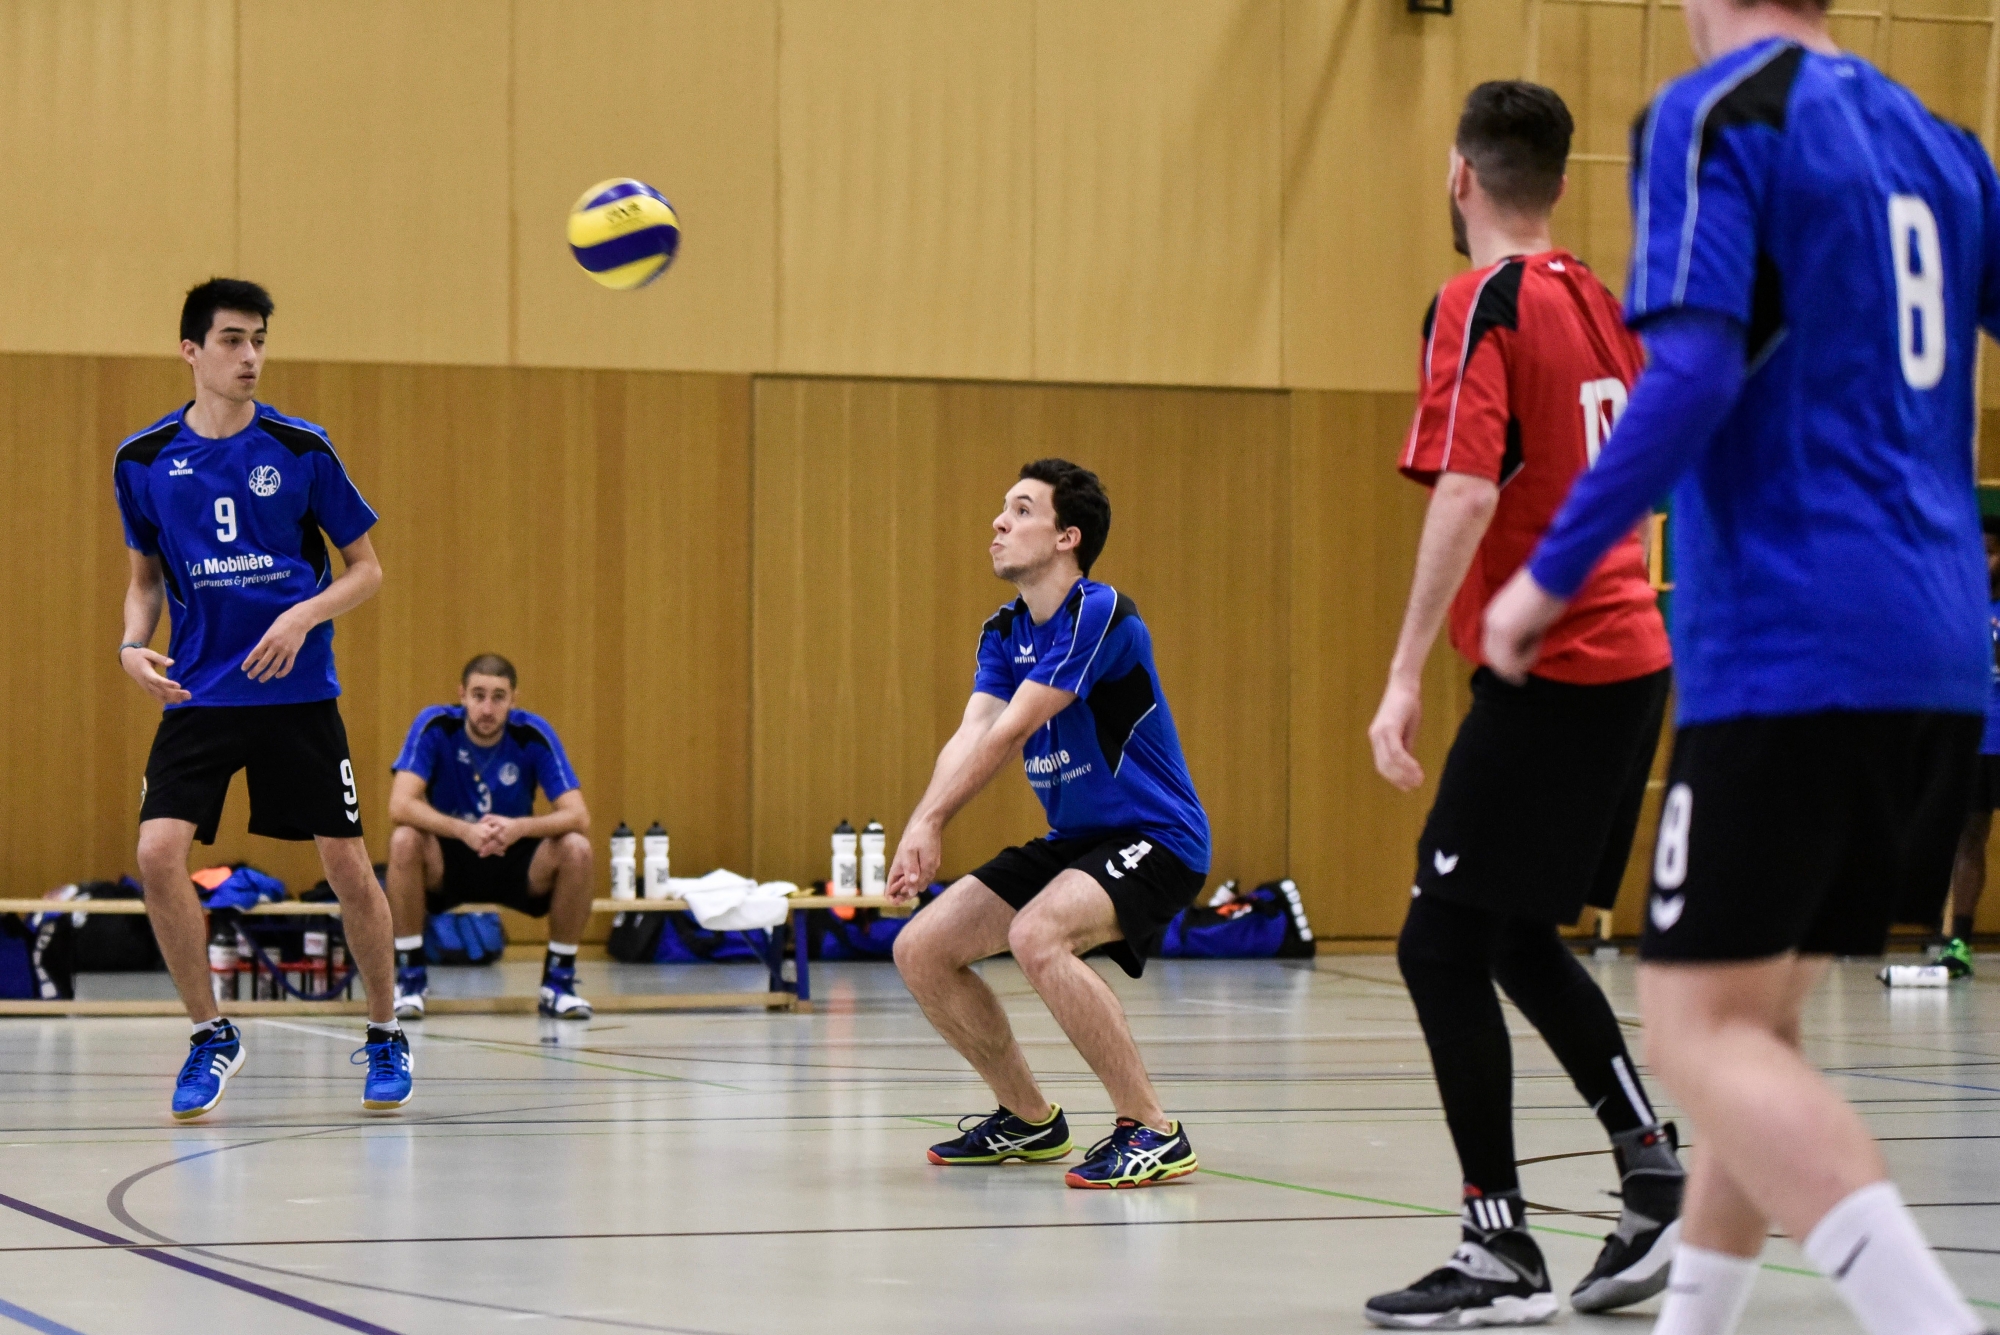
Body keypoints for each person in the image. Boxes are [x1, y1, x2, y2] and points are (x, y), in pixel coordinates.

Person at [1483, 0, 1997, 1331]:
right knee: (1750, 1035)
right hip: (1938, 649)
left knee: (1695, 1038)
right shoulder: (1943, 142)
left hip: (1794, 640)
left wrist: (1551, 568)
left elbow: (1696, 368)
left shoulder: (1719, 114)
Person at [1362, 82, 1684, 1329]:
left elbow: (1463, 488)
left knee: (1435, 943)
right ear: (1554, 180)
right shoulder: (1600, 304)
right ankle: (1649, 1169)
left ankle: (1496, 1245)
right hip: (1628, 658)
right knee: (1507, 936)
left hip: (1553, 670)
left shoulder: (1478, 301)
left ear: (1459, 177)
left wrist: (1399, 676)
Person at [114, 278, 411, 1119]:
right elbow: (142, 582)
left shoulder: (300, 445)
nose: (250, 356)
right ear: (191, 351)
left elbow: (366, 568)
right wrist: (133, 647)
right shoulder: (142, 460)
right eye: (234, 340)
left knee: (348, 864)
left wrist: (300, 616)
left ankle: (386, 1030)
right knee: (156, 854)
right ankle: (213, 1034)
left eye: (259, 341)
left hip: (297, 692)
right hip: (200, 693)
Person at [886, 460, 1210, 1189]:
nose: (999, 522)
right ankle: (1029, 1117)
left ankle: (1152, 1129)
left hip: (1158, 835)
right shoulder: (1002, 631)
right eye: (1003, 508)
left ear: (1067, 536)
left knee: (1038, 934)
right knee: (922, 948)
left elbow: (1009, 734)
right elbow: (973, 730)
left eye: (1021, 509)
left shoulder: (1101, 613)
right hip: (1077, 838)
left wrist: (935, 820)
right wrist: (919, 821)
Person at [385, 654, 594, 1019]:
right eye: (478, 695)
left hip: (513, 857)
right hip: (451, 855)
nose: (487, 707)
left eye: (498, 697)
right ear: (461, 695)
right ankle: (410, 979)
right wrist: (464, 830)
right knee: (404, 839)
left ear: (513, 700)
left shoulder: (532, 733)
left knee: (577, 848)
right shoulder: (435, 726)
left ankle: (558, 982)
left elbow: (578, 815)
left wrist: (519, 828)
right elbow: (399, 805)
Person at [1941, 515, 2000, 978]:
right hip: (1978, 740)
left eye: (1992, 551)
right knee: (1969, 836)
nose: (1983, 562)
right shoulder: (1956, 606)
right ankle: (1958, 940)